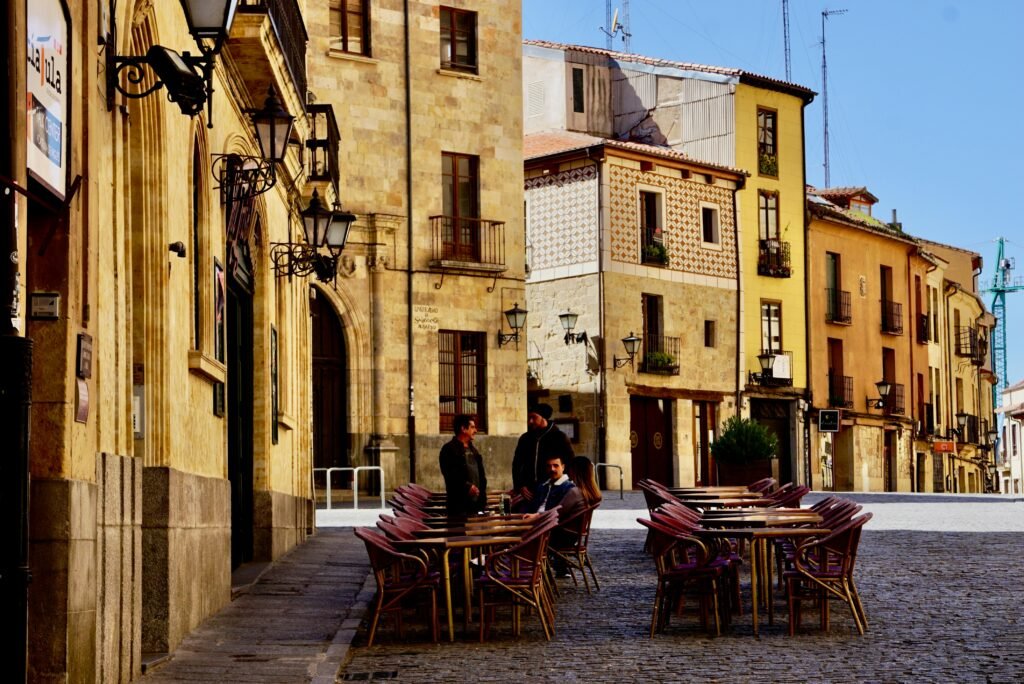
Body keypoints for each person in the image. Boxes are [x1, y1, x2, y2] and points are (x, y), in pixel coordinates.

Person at [511, 403, 574, 510]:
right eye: (528, 418)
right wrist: (520, 485)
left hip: (551, 490)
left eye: (533, 417)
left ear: (543, 418)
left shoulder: (559, 437)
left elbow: (570, 462)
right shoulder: (525, 438)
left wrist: (561, 485)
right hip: (528, 492)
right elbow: (516, 464)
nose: (530, 421)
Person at [438, 414, 487, 515]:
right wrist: (467, 487)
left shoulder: (474, 451)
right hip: (458, 507)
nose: (476, 431)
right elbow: (450, 475)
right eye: (472, 427)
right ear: (463, 429)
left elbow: (481, 476)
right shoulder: (448, 450)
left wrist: (482, 500)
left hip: (476, 506)